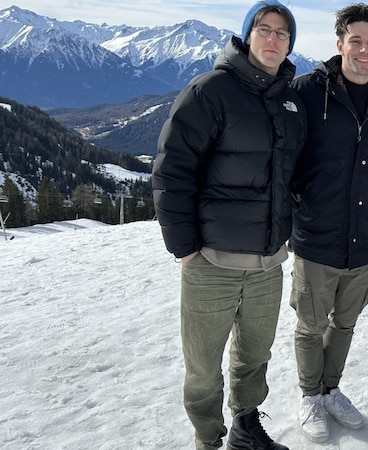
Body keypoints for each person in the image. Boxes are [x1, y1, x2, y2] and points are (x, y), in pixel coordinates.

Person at [151, 1, 305, 449]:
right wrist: (184, 245)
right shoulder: (210, 91)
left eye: (283, 33)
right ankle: (207, 438)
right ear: (246, 35)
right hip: (211, 263)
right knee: (202, 366)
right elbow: (171, 169)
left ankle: (245, 428)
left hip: (268, 265)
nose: (273, 39)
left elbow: (296, 174)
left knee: (254, 358)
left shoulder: (291, 101)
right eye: (265, 29)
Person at [287, 3, 368, 444]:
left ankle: (331, 389)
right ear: (339, 44)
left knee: (345, 323)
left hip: (367, 239)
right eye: (355, 40)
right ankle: (309, 396)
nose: (364, 49)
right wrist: (306, 196)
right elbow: (286, 154)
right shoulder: (307, 91)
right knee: (310, 324)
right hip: (317, 237)